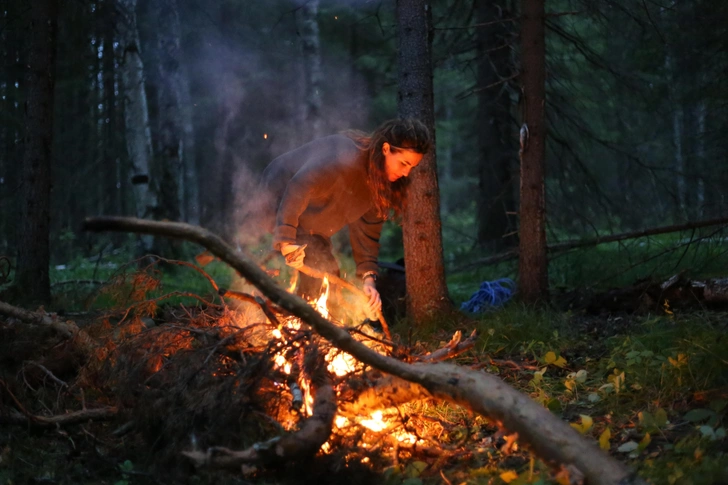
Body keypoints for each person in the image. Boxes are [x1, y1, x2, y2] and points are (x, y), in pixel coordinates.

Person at [259, 118, 431, 319]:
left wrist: (368, 280)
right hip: (276, 199)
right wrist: (286, 241)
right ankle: (280, 323)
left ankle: (307, 334)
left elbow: (367, 234)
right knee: (299, 270)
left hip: (312, 228)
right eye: (404, 163)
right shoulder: (344, 156)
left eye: (412, 167)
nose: (406, 172)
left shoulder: (379, 186)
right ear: (386, 149)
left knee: (328, 276)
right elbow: (299, 187)